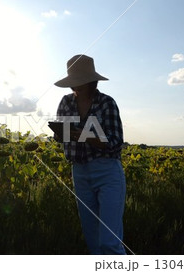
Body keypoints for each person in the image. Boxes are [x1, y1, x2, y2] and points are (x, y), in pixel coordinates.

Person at [54, 54, 127, 255]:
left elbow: (115, 142)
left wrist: (86, 136)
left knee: (109, 242)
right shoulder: (66, 103)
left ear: (91, 81)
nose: (75, 87)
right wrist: (61, 134)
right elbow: (63, 136)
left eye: (80, 83)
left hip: (107, 171)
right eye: (73, 83)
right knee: (93, 241)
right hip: (79, 172)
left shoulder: (106, 103)